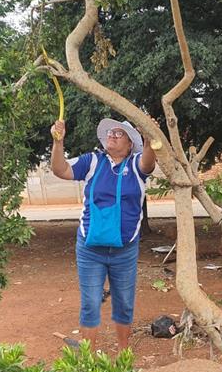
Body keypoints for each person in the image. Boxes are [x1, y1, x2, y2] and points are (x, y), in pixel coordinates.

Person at [50, 117, 156, 352]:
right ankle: (89, 360)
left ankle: (124, 356)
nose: (112, 135)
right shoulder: (92, 161)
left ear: (130, 144)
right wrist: (58, 142)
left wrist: (149, 138)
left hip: (125, 251)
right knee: (90, 303)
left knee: (124, 303)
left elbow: (149, 163)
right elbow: (60, 169)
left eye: (119, 133)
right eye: (110, 132)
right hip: (90, 250)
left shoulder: (136, 164)